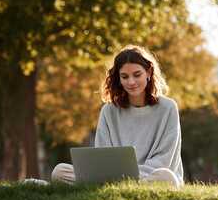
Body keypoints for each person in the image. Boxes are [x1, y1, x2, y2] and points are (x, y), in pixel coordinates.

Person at [51, 45, 184, 187]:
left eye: (137, 75)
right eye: (125, 77)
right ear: (118, 79)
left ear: (149, 73)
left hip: (152, 175)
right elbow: (103, 155)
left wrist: (124, 177)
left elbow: (164, 160)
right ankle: (121, 184)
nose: (131, 82)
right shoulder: (108, 111)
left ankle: (111, 184)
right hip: (114, 176)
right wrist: (117, 176)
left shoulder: (168, 108)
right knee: (59, 171)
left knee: (166, 177)